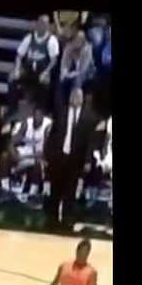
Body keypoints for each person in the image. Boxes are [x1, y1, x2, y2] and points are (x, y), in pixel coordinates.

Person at [45, 88, 102, 228]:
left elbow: (90, 141)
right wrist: (49, 154)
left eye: (78, 96)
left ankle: (67, 219)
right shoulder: (61, 112)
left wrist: (88, 160)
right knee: (55, 189)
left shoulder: (89, 117)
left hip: (76, 158)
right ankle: (51, 218)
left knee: (70, 190)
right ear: (70, 97)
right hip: (59, 156)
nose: (75, 98)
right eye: (73, 95)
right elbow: (52, 135)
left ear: (82, 99)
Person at [9, 15, 60, 111]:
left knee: (46, 83)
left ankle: (43, 110)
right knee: (11, 78)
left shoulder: (52, 40)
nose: (42, 26)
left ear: (48, 26)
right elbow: (19, 55)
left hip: (42, 69)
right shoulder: (29, 37)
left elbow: (54, 60)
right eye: (40, 23)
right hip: (28, 68)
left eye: (45, 24)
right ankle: (13, 108)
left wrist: (46, 72)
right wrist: (17, 69)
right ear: (37, 24)